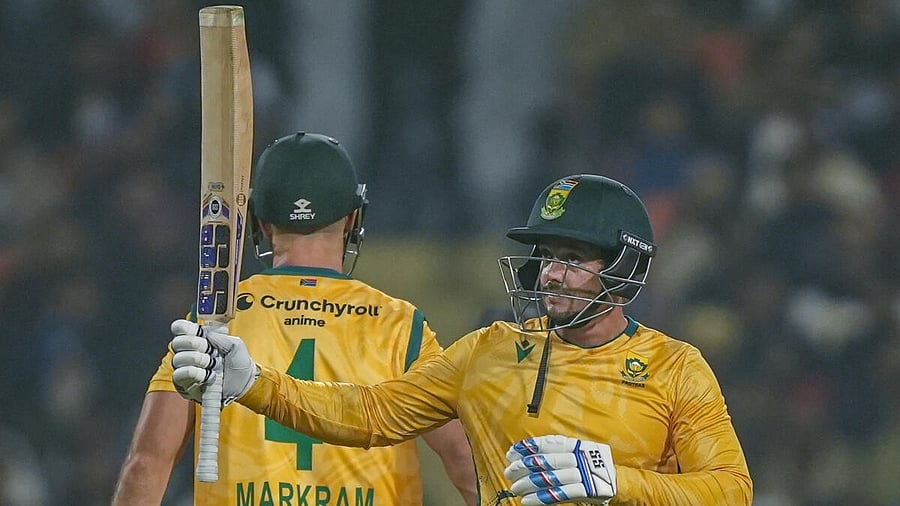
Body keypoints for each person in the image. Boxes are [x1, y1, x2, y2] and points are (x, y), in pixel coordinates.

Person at [170, 174, 753, 505]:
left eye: (572, 259)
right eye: (545, 257)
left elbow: (731, 492)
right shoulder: (488, 352)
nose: (549, 274)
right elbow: (372, 413)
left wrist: (613, 481)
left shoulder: (677, 368)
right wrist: (254, 384)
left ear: (627, 267)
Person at [112, 132, 477, 506]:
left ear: (262, 222)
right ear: (352, 218)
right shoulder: (400, 326)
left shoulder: (217, 316)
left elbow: (147, 463)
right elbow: (465, 460)